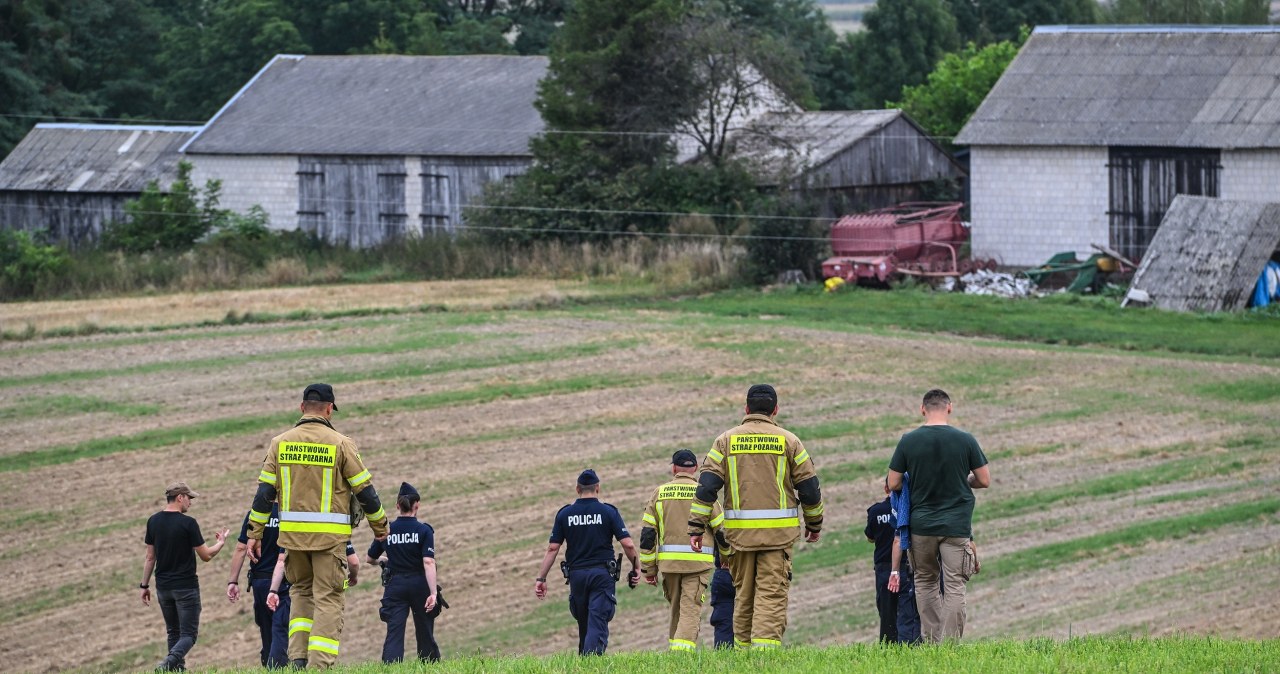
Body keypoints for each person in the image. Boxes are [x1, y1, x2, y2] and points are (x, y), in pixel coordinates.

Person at [244, 383, 390, 670]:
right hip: (329, 540)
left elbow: (264, 494)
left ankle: (298, 661)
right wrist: (381, 527)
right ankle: (320, 665)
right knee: (328, 599)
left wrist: (254, 534)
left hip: (292, 540)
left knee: (300, 595)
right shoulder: (341, 444)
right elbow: (365, 492)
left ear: (301, 408)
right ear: (328, 410)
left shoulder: (280, 443)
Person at [688, 384, 825, 649]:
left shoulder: (725, 441)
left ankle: (743, 655)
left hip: (740, 538)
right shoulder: (790, 441)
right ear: (775, 410)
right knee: (771, 597)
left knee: (745, 597)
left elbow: (706, 488)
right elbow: (809, 489)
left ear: (746, 409)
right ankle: (765, 658)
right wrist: (814, 523)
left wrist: (696, 527)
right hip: (778, 538)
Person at [888, 389, 990, 643]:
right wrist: (963, 480)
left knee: (925, 581)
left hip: (921, 525)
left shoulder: (908, 441)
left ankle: (932, 642)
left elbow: (894, 482)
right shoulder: (965, 440)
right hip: (956, 526)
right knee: (955, 584)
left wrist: (917, 481)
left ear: (922, 409)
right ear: (949, 408)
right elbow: (984, 480)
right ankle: (950, 645)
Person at [534, 469, 639, 655]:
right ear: (597, 488)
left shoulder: (565, 514)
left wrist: (541, 578)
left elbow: (552, 548)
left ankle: (584, 661)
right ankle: (591, 663)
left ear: (577, 489)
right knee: (597, 621)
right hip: (602, 574)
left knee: (584, 622)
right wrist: (636, 567)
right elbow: (628, 545)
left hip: (577, 575)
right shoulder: (608, 512)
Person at [638, 449, 730, 651]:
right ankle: (682, 657)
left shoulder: (659, 494)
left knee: (676, 611)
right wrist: (726, 557)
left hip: (669, 565)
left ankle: (675, 654)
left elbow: (647, 536)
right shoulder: (704, 494)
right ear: (696, 469)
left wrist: (649, 570)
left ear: (673, 469)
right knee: (690, 610)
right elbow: (721, 531)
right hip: (697, 564)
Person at [139, 482, 229, 672]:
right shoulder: (188, 523)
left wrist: (144, 585)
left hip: (163, 588)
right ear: (180, 497)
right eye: (190, 498)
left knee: (173, 632)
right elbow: (205, 555)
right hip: (186, 588)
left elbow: (150, 557)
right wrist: (220, 543)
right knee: (189, 635)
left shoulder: (153, 521)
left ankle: (176, 670)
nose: (191, 502)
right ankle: (168, 664)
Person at [367, 482, 441, 663]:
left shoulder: (387, 529)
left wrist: (384, 560)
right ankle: (429, 665)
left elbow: (370, 559)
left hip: (395, 586)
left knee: (395, 631)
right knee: (424, 629)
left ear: (398, 506)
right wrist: (433, 593)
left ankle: (392, 667)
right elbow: (428, 562)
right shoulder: (424, 530)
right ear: (417, 505)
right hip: (419, 584)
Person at [227, 502, 289, 668]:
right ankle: (277, 667)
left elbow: (241, 548)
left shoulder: (256, 515)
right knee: (281, 628)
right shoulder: (289, 515)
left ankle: (268, 661)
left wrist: (233, 581)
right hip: (282, 582)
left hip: (259, 582)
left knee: (266, 628)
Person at [867, 478, 920, 644]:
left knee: (886, 613)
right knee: (907, 612)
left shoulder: (875, 511)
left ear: (886, 489)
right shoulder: (909, 510)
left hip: (883, 569)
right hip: (905, 568)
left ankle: (889, 649)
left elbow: (870, 538)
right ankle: (908, 646)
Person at [708, 549, 735, 649]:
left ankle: (724, 657)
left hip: (724, 570)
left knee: (723, 622)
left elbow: (720, 535)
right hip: (754, 572)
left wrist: (725, 558)